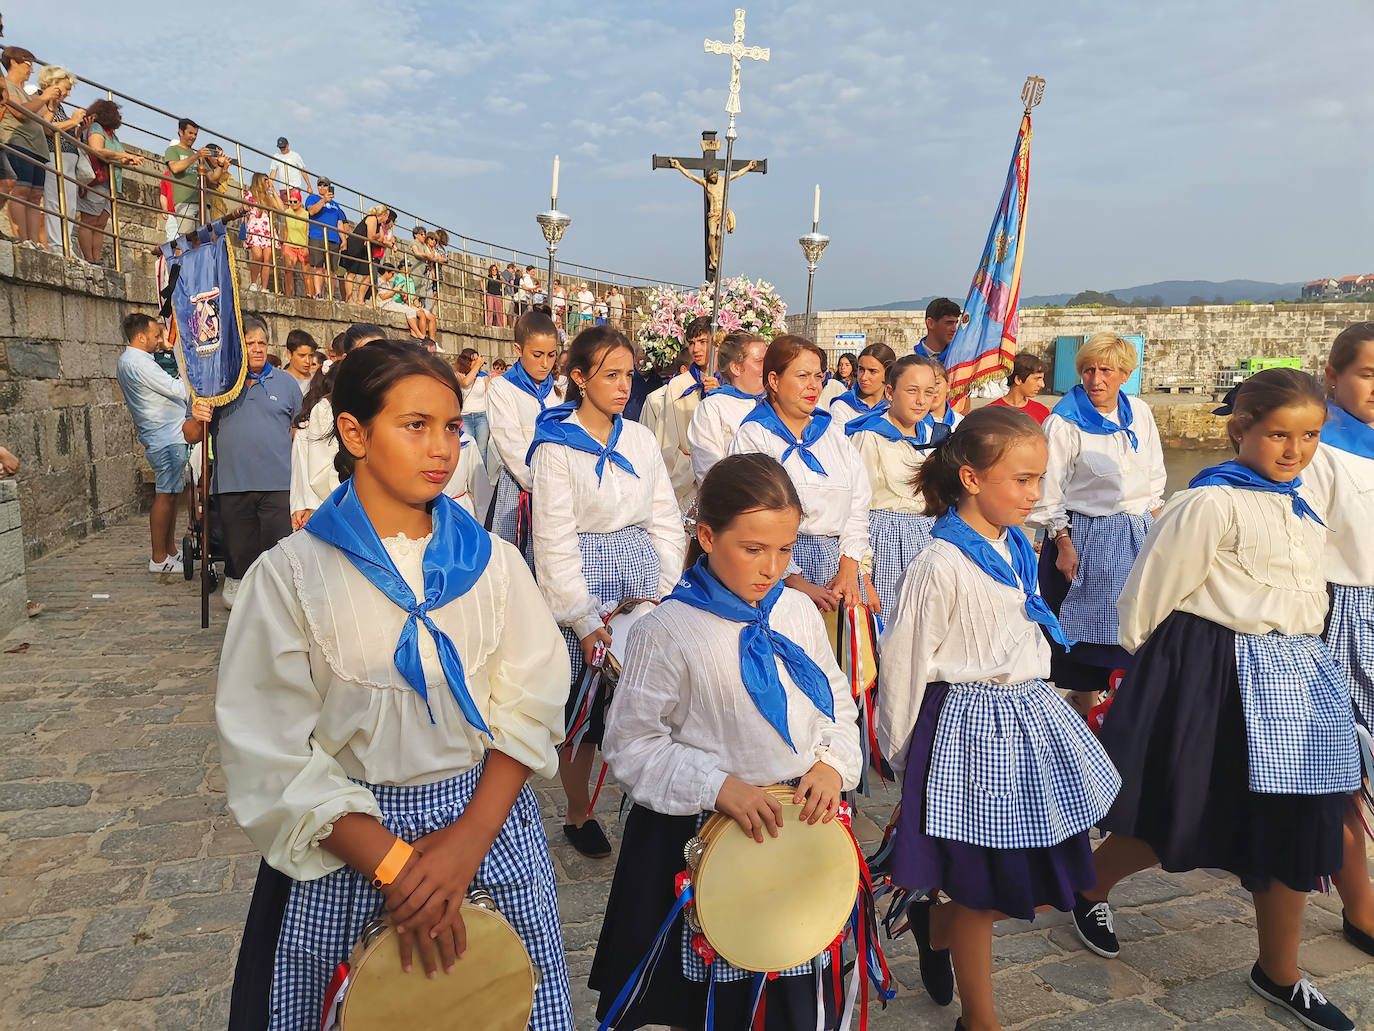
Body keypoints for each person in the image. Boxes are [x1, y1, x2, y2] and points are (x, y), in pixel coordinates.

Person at [217, 340, 575, 1031]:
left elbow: (528, 701)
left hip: (487, 826)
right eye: (415, 425)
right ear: (354, 432)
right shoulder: (292, 577)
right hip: (352, 844)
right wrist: (396, 866)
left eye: (448, 425)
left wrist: (471, 835)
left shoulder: (493, 565)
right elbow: (272, 749)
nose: (441, 447)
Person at [1071, 369, 1358, 1031]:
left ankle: (1279, 969)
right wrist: (1158, 684)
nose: (1294, 449)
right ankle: (1088, 882)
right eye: (1278, 434)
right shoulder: (1210, 502)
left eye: (1309, 435)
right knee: (1181, 808)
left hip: (1294, 672)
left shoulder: (1300, 500)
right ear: (1241, 430)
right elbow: (1149, 591)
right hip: (1216, 667)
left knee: (1298, 818)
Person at [590, 452, 861, 1030]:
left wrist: (832, 764)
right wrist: (717, 786)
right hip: (708, 834)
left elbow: (834, 696)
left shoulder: (797, 612)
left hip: (800, 831)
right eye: (753, 549)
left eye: (785, 550)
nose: (771, 567)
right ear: (708, 536)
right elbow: (633, 744)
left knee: (795, 976)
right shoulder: (670, 631)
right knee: (718, 1001)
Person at [878, 406, 1121, 1031]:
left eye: (1040, 479)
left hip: (1026, 723)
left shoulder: (1015, 542)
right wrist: (904, 757)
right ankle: (979, 1018)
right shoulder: (940, 563)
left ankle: (935, 926)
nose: (1034, 493)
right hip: (966, 734)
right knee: (980, 889)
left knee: (1020, 879)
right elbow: (904, 663)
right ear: (971, 479)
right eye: (1021, 479)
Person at [529, 325, 686, 858]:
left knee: (652, 699)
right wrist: (582, 617)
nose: (624, 387)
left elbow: (664, 516)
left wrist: (664, 592)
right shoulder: (556, 448)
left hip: (641, 579)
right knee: (585, 708)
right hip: (586, 580)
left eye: (628, 375)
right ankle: (579, 811)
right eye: (610, 375)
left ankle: (653, 796)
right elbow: (552, 536)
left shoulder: (639, 438)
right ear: (579, 377)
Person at [1027, 334, 1166, 713]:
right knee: (1085, 648)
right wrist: (1063, 543)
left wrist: (1161, 536)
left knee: (1136, 631)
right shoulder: (1064, 423)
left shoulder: (1138, 413)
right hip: (1085, 536)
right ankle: (1086, 715)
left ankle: (1119, 714)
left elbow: (1153, 480)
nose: (1096, 379)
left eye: (1105, 370)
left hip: (1136, 533)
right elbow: (1049, 490)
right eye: (1088, 370)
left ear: (1124, 374)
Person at [1302, 322, 1374, 958]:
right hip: (1341, 615)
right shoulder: (1320, 450)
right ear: (1333, 376)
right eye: (1369, 374)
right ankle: (1359, 903)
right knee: (1345, 767)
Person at [728, 335, 874, 615]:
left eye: (818, 376)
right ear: (774, 380)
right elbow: (751, 514)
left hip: (836, 566)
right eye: (803, 375)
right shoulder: (756, 436)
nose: (814, 386)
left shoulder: (832, 436)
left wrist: (848, 566)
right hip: (774, 569)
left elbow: (858, 502)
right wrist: (794, 580)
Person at [188, 314, 300, 610]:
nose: (258, 349)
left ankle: (278, 594)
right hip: (232, 484)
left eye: (262, 343)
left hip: (277, 483)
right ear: (238, 347)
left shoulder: (287, 384)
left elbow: (298, 433)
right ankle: (237, 582)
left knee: (279, 546)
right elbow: (190, 434)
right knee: (238, 548)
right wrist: (199, 416)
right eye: (250, 344)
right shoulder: (216, 386)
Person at [845, 355, 947, 617]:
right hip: (886, 546)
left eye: (929, 392)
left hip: (928, 541)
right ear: (890, 392)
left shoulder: (934, 436)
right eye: (912, 391)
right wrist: (864, 578)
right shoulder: (870, 436)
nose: (921, 400)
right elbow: (855, 508)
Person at [115, 312, 192, 574]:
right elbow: (179, 389)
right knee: (165, 495)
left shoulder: (137, 360)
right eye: (155, 335)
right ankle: (159, 558)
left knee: (171, 495)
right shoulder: (139, 363)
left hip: (169, 434)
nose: (159, 340)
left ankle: (169, 551)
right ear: (140, 337)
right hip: (165, 436)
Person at [485, 310, 562, 568]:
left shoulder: (559, 390)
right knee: (517, 566)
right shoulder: (502, 389)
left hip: (559, 490)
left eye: (551, 355)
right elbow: (510, 445)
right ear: (518, 349)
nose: (545, 364)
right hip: (521, 490)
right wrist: (544, 483)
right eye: (537, 355)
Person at [290, 323, 385, 530]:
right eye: (365, 354)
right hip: (352, 515)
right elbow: (321, 476)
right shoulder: (326, 409)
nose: (375, 361)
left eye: (382, 351)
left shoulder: (401, 400)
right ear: (347, 360)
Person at [686, 330, 766, 486]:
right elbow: (709, 471)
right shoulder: (712, 407)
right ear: (736, 368)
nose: (769, 366)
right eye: (760, 361)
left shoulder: (774, 402)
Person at [0, 47, 59, 245]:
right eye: (28, 64)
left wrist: (52, 105)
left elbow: (46, 126)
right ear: (14, 62)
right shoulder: (6, 85)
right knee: (21, 192)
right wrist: (42, 98)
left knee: (35, 197)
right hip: (18, 144)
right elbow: (19, 113)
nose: (31, 70)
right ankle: (23, 239)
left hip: (37, 149)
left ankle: (34, 243)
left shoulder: (27, 94)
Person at [76, 99, 142, 264]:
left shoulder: (113, 135)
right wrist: (125, 156)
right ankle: (89, 258)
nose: (119, 117)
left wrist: (129, 160)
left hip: (110, 183)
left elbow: (116, 155)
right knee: (89, 221)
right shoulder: (97, 128)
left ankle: (96, 259)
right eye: (117, 113)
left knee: (100, 224)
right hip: (96, 180)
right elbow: (98, 150)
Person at [32, 64, 84, 255]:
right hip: (53, 157)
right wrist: (73, 120)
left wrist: (80, 128)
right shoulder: (40, 99)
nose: (68, 94)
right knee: (55, 202)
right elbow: (47, 128)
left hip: (69, 160)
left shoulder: (58, 105)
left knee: (69, 206)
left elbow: (63, 130)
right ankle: (57, 247)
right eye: (67, 88)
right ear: (52, 83)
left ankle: (67, 246)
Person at [162, 117, 211, 235]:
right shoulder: (173, 150)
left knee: (204, 241)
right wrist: (196, 156)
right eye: (190, 133)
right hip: (184, 201)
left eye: (195, 134)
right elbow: (175, 168)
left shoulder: (198, 155)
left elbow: (211, 178)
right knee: (186, 241)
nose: (193, 137)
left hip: (202, 202)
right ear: (180, 132)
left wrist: (221, 166)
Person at [829, 342, 895, 427]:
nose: (864, 377)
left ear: (887, 374)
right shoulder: (842, 407)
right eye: (861, 369)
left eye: (872, 371)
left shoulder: (896, 408)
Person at [340, 205, 395, 304]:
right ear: (383, 215)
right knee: (351, 274)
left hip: (365, 249)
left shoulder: (379, 224)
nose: (388, 219)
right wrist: (378, 236)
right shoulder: (372, 218)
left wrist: (378, 237)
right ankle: (349, 298)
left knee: (368, 275)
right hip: (356, 246)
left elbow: (380, 238)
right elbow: (371, 236)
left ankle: (360, 299)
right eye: (387, 216)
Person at [304, 178, 345, 300]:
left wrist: (344, 238)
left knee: (331, 269)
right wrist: (323, 200)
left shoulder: (336, 205)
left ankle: (331, 295)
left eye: (325, 185)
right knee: (318, 266)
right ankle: (318, 293)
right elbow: (312, 211)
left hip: (333, 238)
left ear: (329, 187)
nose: (322, 187)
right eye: (320, 185)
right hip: (317, 236)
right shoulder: (312, 198)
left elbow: (339, 222)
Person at [242, 173, 282, 293]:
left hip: (267, 228)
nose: (267, 182)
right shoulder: (249, 195)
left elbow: (281, 208)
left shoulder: (268, 196)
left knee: (267, 258)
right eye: (265, 180)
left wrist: (273, 190)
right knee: (257, 256)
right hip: (255, 227)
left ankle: (264, 287)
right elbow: (244, 210)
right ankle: (254, 282)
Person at [990, 351, 1050, 423]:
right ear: (1018, 379)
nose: (1042, 385)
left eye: (1042, 379)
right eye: (1037, 378)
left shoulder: (1042, 412)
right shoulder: (990, 414)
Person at [278, 190, 311, 297]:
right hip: (290, 245)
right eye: (290, 202)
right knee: (288, 270)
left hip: (302, 245)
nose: (292, 204)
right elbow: (286, 229)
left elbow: (308, 232)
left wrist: (306, 246)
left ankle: (310, 294)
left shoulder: (306, 215)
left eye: (295, 202)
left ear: (300, 202)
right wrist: (284, 245)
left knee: (306, 273)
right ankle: (289, 294)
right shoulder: (288, 212)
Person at [914, 297, 962, 363]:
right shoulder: (908, 361)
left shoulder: (960, 361)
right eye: (949, 323)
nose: (954, 329)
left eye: (955, 323)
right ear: (930, 323)